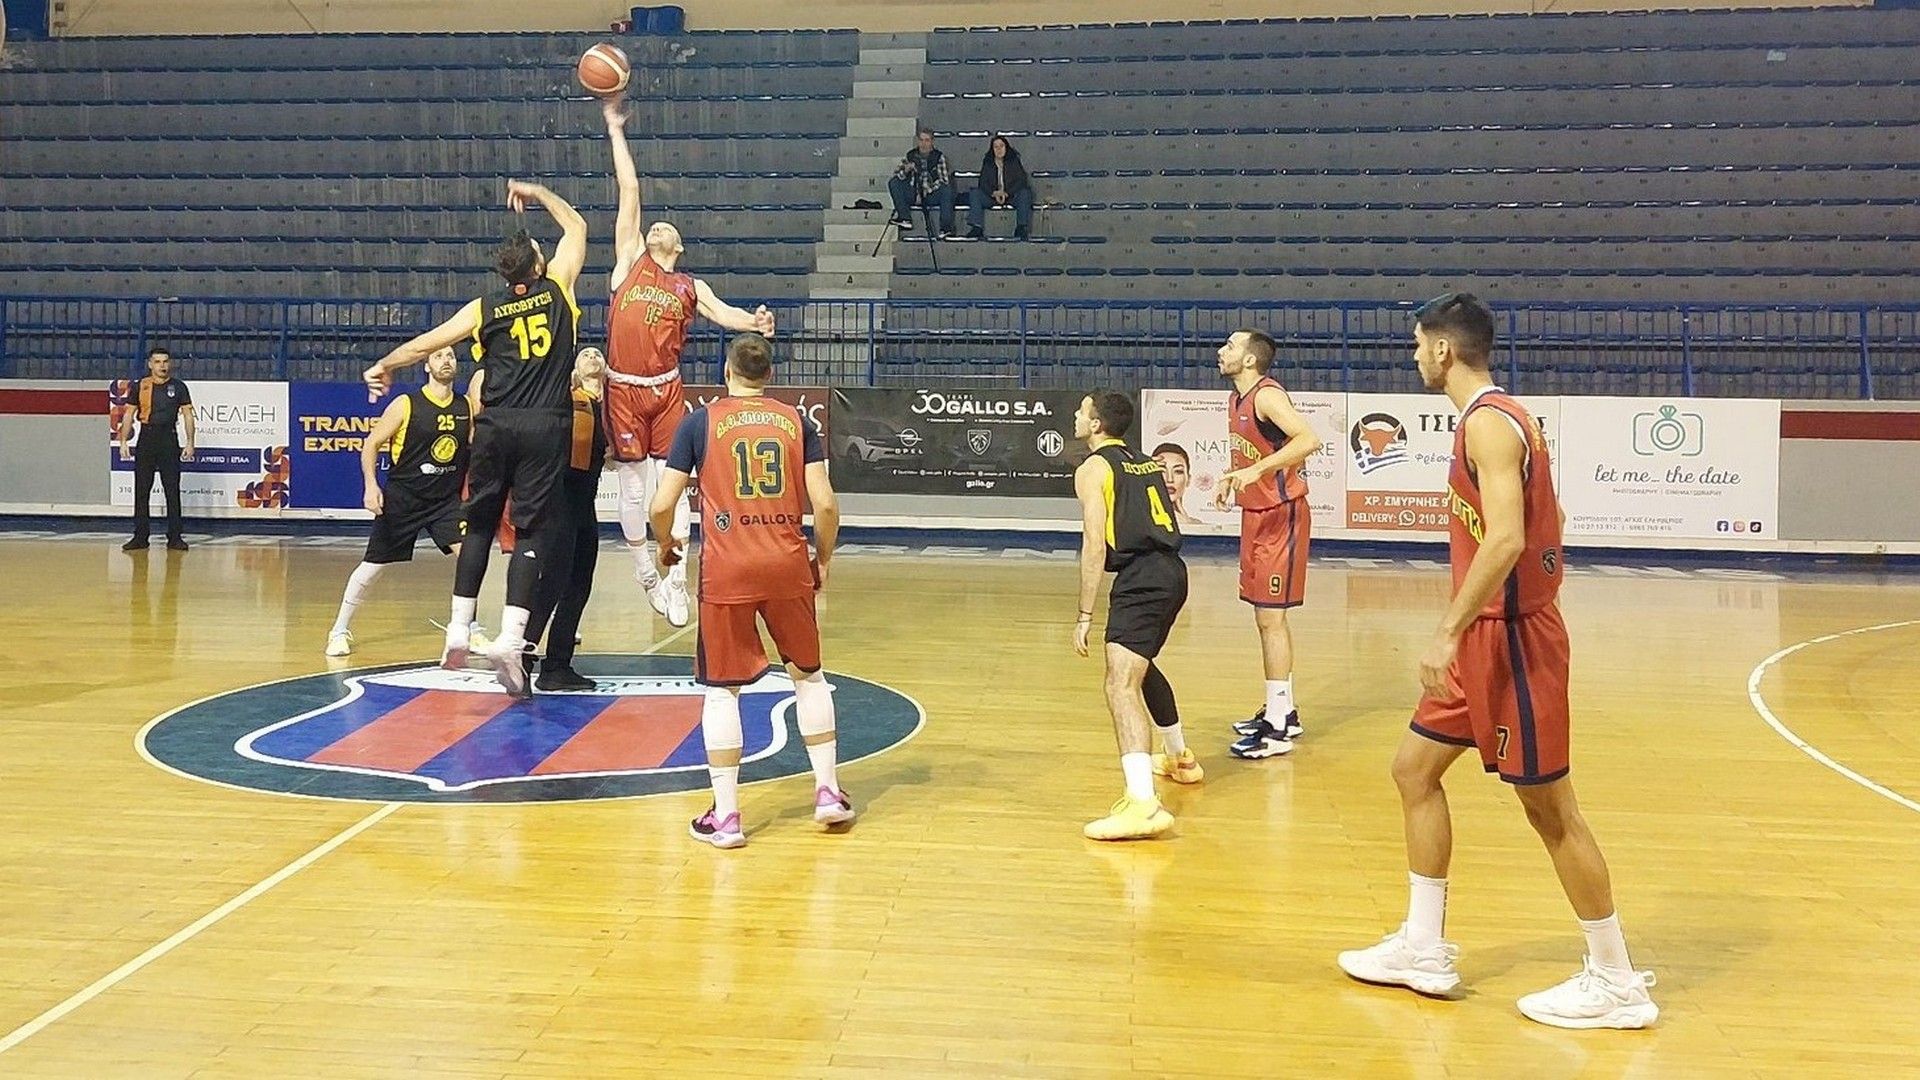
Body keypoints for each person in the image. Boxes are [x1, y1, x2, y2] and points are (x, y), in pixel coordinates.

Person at [1338, 292, 1657, 1029]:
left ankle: (1617, 980)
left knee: (1551, 811)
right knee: (1413, 771)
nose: (1414, 356)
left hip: (1512, 642)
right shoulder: (1509, 418)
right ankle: (1423, 946)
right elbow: (1554, 519)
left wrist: (1448, 630)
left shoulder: (1486, 423)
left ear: (1443, 349)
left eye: (1417, 344)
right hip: (1489, 635)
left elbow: (1508, 536)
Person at [364, 179, 586, 696]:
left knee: (480, 524)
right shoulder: (558, 289)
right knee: (530, 531)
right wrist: (538, 193)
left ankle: (459, 629)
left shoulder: (485, 307)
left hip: (494, 425)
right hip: (545, 426)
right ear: (538, 265)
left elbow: (425, 343)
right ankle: (510, 637)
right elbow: (576, 225)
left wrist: (385, 365)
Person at [652, 333, 850, 850]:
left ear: (727, 371)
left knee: (723, 689)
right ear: (769, 375)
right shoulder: (798, 422)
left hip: (728, 571)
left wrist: (665, 545)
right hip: (786, 565)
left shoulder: (699, 422)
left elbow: (661, 505)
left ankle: (727, 817)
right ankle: (828, 793)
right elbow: (826, 506)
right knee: (809, 676)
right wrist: (822, 559)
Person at [599, 98, 777, 629]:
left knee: (672, 485)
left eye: (665, 229)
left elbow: (725, 315)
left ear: (678, 246)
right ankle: (645, 574)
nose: (656, 228)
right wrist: (614, 129)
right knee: (634, 488)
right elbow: (630, 190)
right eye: (653, 226)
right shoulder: (628, 263)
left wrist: (756, 323)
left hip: (666, 388)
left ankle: (676, 577)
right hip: (623, 388)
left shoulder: (689, 285)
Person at [1071, 391, 1195, 840]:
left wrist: (1085, 613)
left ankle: (1142, 804)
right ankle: (1180, 758)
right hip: (1172, 572)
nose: (1076, 416)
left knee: (1120, 684)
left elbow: (1094, 544)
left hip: (1141, 578)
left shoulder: (1093, 468)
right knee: (1139, 666)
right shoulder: (1145, 462)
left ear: (1097, 424)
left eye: (1083, 411)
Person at [326, 347, 491, 658]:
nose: (446, 361)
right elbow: (371, 444)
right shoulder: (406, 404)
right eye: (438, 356)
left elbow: (475, 445)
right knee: (373, 567)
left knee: (470, 558)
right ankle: (339, 630)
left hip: (445, 502)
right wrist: (371, 486)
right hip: (404, 499)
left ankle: (470, 627)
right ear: (426, 366)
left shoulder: (465, 406)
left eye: (451, 356)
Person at [1213, 329, 1324, 760]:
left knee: (1271, 619)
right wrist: (1233, 477)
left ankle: (1277, 727)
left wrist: (1258, 471)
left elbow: (1309, 440)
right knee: (1265, 619)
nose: (1221, 351)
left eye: (1230, 346)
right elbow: (1252, 454)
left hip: (1282, 515)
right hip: (1256, 515)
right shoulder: (1236, 399)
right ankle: (1283, 710)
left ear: (1249, 360)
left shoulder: (1267, 396)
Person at [519, 347, 610, 692]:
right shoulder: (569, 400)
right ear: (573, 371)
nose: (592, 357)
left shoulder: (608, 406)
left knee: (579, 584)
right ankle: (522, 658)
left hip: (584, 504)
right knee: (552, 583)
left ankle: (557, 665)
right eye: (584, 355)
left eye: (597, 353)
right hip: (561, 501)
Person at [119, 347, 195, 552]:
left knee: (172, 490)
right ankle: (140, 537)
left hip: (168, 439)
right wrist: (123, 441)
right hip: (147, 439)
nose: (162, 366)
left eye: (165, 361)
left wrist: (190, 442)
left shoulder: (178, 387)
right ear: (150, 364)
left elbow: (188, 415)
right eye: (158, 362)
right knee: (142, 490)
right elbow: (128, 414)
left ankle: (175, 537)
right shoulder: (140, 386)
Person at [887, 128, 957, 238]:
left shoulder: (939, 157)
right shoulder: (911, 155)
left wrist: (927, 190)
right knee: (893, 182)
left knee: (947, 190)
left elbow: (944, 180)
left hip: (931, 194)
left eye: (927, 140)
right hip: (913, 192)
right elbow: (897, 175)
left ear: (932, 141)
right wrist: (906, 170)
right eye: (921, 140)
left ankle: (946, 228)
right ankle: (905, 218)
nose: (924, 144)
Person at [964, 134, 1035, 240]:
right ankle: (976, 227)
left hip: (1010, 196)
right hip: (992, 197)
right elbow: (982, 182)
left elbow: (1021, 181)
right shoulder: (988, 162)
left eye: (1001, 146)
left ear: (1006, 147)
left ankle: (1021, 227)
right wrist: (994, 193)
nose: (999, 149)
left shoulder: (1014, 161)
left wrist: (1007, 193)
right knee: (975, 193)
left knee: (1025, 193)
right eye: (996, 147)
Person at [1148, 443, 1203, 526]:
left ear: (1188, 479)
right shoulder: (1138, 520)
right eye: (1161, 471)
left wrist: (1185, 523)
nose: (1170, 479)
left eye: (1178, 471)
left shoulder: (1196, 524)